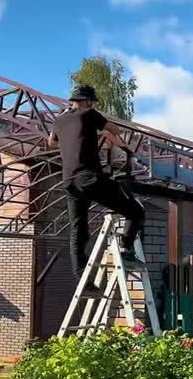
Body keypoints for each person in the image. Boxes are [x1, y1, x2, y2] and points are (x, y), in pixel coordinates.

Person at [48, 84, 145, 287]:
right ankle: (126, 249)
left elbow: (51, 143)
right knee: (135, 211)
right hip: (89, 178)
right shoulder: (89, 114)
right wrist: (103, 133)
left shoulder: (59, 120)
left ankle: (82, 280)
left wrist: (72, 140)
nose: (93, 105)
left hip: (69, 181)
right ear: (88, 100)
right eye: (92, 102)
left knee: (78, 230)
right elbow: (116, 130)